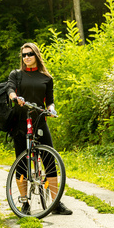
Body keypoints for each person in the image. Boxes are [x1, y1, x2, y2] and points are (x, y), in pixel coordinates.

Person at [6, 42, 72, 215]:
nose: (26, 57)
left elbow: (49, 100)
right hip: (20, 122)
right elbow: (10, 89)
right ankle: (25, 203)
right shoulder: (16, 74)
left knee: (50, 160)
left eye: (30, 54)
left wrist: (51, 108)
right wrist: (15, 97)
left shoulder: (46, 78)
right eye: (24, 55)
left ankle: (55, 203)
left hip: (40, 121)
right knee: (22, 164)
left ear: (36, 55)